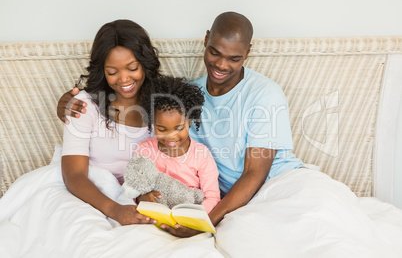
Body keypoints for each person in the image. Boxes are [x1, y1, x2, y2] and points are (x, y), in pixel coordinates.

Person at [57, 12, 303, 237]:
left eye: (133, 68)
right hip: (141, 197)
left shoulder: (261, 95)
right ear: (206, 40)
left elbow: (253, 173)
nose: (221, 64)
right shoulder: (184, 95)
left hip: (271, 186)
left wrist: (203, 221)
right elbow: (77, 171)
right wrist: (67, 103)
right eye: (215, 52)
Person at [61, 19, 162, 226]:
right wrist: (114, 209)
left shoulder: (162, 103)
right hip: (90, 196)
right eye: (113, 72)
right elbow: (74, 174)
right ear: (102, 71)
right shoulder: (84, 105)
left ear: (145, 64)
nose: (124, 79)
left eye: (132, 68)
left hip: (138, 198)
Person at [133, 76, 220, 213]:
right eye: (162, 129)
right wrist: (141, 198)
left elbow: (212, 197)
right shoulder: (144, 150)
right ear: (153, 123)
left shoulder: (201, 154)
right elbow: (134, 187)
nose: (171, 136)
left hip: (190, 212)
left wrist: (194, 216)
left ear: (190, 121)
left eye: (179, 128)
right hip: (156, 214)